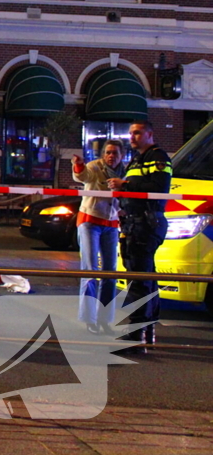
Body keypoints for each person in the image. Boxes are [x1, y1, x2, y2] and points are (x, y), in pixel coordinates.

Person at [107, 120, 171, 350]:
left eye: (137, 133)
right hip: (134, 222)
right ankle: (147, 327)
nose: (132, 137)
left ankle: (137, 332)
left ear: (150, 134)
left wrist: (124, 185)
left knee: (138, 278)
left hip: (146, 223)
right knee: (144, 276)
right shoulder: (136, 160)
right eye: (131, 133)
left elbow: (159, 188)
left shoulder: (158, 158)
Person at [71, 140, 125, 335]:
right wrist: (78, 164)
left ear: (122, 155)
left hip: (111, 224)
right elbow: (82, 175)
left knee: (110, 273)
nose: (111, 156)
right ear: (103, 154)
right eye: (108, 153)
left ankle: (104, 319)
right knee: (90, 269)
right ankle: (89, 319)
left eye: (115, 153)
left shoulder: (124, 172)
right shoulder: (95, 167)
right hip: (90, 221)